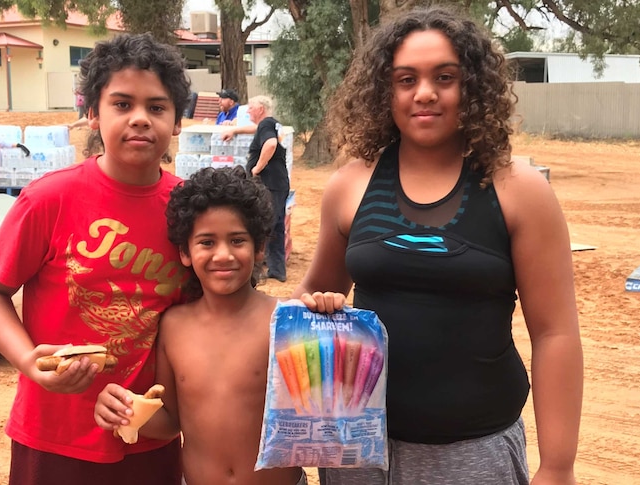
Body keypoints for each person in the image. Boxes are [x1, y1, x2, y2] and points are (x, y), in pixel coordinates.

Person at [293, 6, 583, 485]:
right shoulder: (350, 185)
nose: (424, 93)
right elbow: (315, 301)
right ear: (384, 90)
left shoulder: (519, 191)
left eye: (444, 77)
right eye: (405, 79)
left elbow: (554, 334)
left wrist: (558, 466)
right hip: (358, 452)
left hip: (474, 455)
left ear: (471, 86)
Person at [0, 32, 193, 485]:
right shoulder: (50, 198)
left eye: (157, 107)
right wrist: (30, 361)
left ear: (177, 122)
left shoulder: (189, 210)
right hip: (53, 435)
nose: (140, 119)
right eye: (122, 104)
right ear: (92, 114)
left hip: (148, 435)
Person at [94, 166, 344, 485]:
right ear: (185, 251)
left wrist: (329, 319)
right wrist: (125, 412)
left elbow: (328, 406)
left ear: (259, 248)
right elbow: (170, 421)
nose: (223, 255)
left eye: (237, 240)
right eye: (207, 242)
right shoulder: (173, 326)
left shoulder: (288, 321)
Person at [222, 95, 289, 282]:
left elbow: (271, 143)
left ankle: (256, 269)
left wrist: (256, 169)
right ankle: (277, 269)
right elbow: (258, 131)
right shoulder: (269, 124)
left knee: (264, 224)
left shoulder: (266, 124)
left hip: (270, 184)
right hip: (278, 183)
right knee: (276, 226)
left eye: (251, 108)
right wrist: (235, 130)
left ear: (261, 109)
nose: (248, 111)